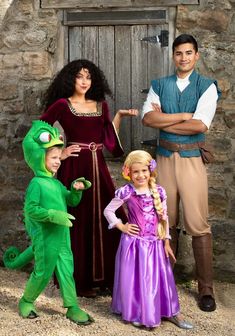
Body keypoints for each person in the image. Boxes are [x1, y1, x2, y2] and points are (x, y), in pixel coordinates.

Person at [39, 59, 138, 297]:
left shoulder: (100, 106)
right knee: (78, 218)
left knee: (106, 214)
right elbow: (40, 130)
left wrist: (120, 116)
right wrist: (59, 153)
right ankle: (77, 281)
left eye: (88, 77)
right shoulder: (62, 105)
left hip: (98, 167)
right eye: (79, 77)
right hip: (74, 168)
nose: (84, 82)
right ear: (70, 79)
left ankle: (107, 278)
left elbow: (107, 136)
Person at [142, 34, 221, 312]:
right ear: (173, 56)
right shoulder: (159, 85)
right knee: (165, 221)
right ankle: (163, 285)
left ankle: (206, 290)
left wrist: (167, 122)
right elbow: (148, 118)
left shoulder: (207, 86)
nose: (183, 58)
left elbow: (200, 126)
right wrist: (183, 116)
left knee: (198, 224)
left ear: (196, 56)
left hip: (191, 160)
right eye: (178, 53)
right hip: (163, 160)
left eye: (188, 53)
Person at [3, 120, 93, 324]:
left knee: (66, 270)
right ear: (38, 157)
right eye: (53, 157)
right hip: (45, 238)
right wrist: (54, 215)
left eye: (58, 157)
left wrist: (76, 190)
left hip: (62, 236)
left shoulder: (56, 183)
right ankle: (26, 301)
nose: (58, 161)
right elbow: (31, 210)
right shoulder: (37, 184)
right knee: (43, 272)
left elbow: (70, 201)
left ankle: (72, 306)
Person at [103, 150, 193, 329]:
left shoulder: (159, 191)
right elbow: (108, 211)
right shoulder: (126, 192)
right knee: (137, 279)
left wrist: (166, 241)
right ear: (128, 172)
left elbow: (164, 218)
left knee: (160, 278)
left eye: (144, 170)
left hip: (156, 244)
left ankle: (168, 311)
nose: (140, 175)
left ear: (150, 170)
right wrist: (122, 226)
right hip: (135, 245)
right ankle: (137, 311)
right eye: (136, 172)